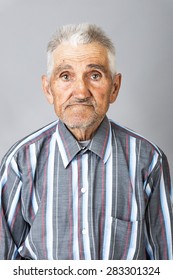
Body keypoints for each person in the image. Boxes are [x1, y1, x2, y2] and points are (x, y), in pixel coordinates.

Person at [0, 23, 172, 260]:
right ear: (48, 89)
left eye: (94, 75)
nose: (81, 91)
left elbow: (165, 264)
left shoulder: (149, 160)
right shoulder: (19, 162)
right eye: (65, 76)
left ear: (115, 87)